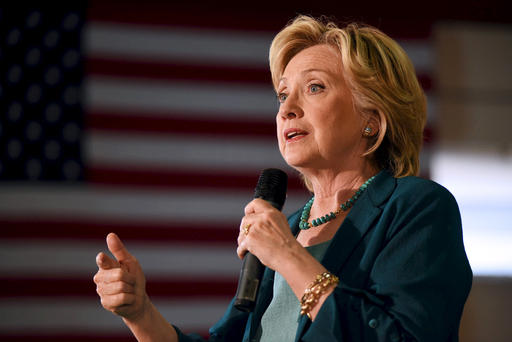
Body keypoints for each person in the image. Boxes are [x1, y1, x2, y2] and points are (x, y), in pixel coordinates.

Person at [93, 15, 472, 341]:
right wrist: (140, 313)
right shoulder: (286, 228)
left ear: (371, 119)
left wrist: (288, 256)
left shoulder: (416, 207)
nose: (287, 109)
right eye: (282, 95)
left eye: (314, 87)